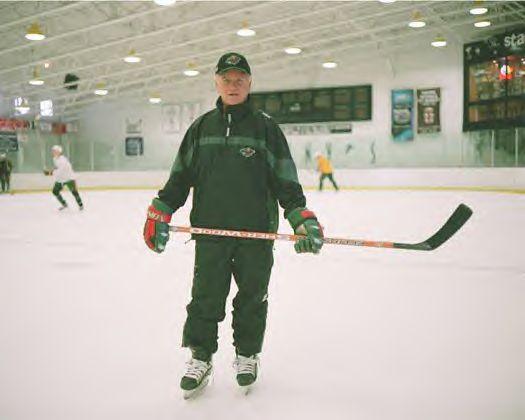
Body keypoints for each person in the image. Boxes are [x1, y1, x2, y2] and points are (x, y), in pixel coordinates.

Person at [142, 52, 324, 398]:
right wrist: (160, 210)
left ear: (250, 83)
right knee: (205, 299)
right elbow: (180, 177)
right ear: (216, 82)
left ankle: (247, 354)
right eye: (226, 79)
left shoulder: (266, 128)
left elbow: (286, 180)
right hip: (210, 233)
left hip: (256, 233)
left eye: (240, 79)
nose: (233, 84)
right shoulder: (201, 128)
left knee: (252, 299)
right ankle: (200, 357)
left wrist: (300, 219)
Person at [44, 145, 84, 211]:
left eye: (55, 151)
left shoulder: (63, 160)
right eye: (53, 151)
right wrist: (50, 171)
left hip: (69, 178)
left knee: (74, 192)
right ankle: (64, 204)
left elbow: (60, 171)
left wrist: (49, 173)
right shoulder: (54, 158)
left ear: (59, 152)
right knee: (55, 191)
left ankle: (80, 205)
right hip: (60, 179)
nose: (53, 152)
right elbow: (57, 168)